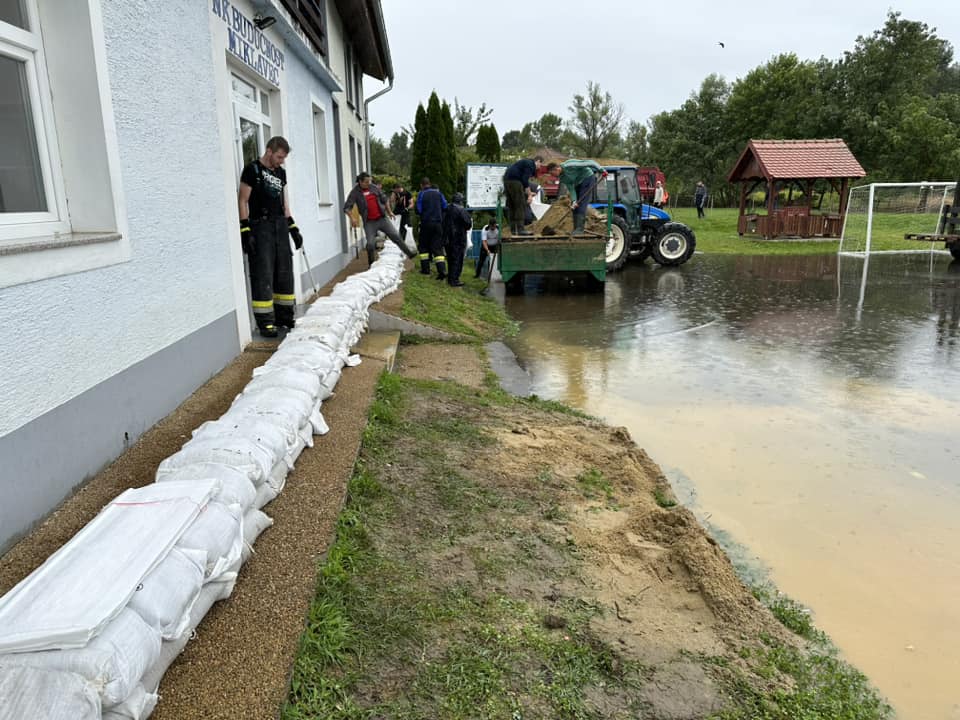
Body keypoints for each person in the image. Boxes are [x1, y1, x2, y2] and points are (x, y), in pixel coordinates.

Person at [239, 136, 301, 338]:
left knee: (284, 271)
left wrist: (293, 228)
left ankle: (284, 315)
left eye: (283, 158)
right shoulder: (252, 170)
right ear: (269, 151)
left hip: (280, 225)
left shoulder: (280, 173)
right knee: (263, 272)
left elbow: (284, 203)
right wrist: (245, 230)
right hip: (261, 226)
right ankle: (266, 321)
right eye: (279, 157)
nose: (281, 161)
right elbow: (243, 200)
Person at [343, 172, 417, 267]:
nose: (368, 183)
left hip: (382, 219)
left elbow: (384, 199)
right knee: (370, 244)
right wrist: (352, 218)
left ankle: (409, 254)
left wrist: (389, 211)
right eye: (366, 182)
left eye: (369, 181)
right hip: (369, 222)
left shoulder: (374, 188)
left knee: (396, 236)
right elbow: (347, 208)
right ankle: (372, 264)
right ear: (360, 182)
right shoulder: (355, 193)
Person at [550, 159, 606, 235]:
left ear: (557, 169)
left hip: (587, 178)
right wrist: (574, 201)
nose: (553, 176)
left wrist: (601, 169)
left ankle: (580, 229)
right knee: (575, 206)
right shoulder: (562, 178)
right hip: (578, 184)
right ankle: (576, 228)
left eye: (553, 174)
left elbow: (589, 162)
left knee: (582, 204)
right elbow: (571, 188)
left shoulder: (569, 165)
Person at [415, 177, 448, 278]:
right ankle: (442, 271)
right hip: (438, 225)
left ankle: (425, 270)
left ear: (422, 185)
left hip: (426, 224)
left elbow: (419, 210)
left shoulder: (421, 194)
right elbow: (445, 206)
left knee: (423, 246)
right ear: (430, 184)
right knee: (437, 247)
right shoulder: (439, 193)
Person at [502, 155, 543, 236]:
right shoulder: (531, 164)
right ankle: (521, 230)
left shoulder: (524, 162)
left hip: (507, 182)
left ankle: (513, 230)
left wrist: (529, 193)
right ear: (537, 161)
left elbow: (523, 181)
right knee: (520, 205)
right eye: (540, 164)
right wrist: (530, 195)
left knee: (512, 206)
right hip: (515, 182)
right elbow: (525, 180)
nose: (539, 166)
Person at [442, 192, 473, 287]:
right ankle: (454, 280)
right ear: (460, 201)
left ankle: (450, 278)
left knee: (450, 258)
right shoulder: (461, 210)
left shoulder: (446, 208)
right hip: (458, 238)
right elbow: (468, 224)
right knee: (457, 259)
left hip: (447, 238)